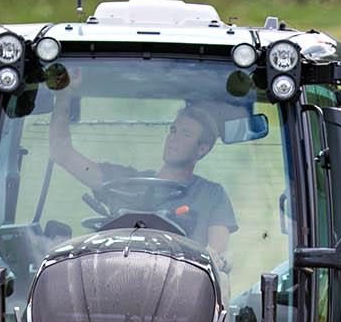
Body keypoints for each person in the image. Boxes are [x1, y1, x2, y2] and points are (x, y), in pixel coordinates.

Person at [47, 85, 239, 263]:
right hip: (114, 272)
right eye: (173, 130)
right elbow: (61, 152)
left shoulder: (212, 195)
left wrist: (213, 256)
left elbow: (216, 253)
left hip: (183, 283)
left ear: (202, 149)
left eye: (186, 134)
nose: (173, 138)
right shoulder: (125, 183)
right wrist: (64, 95)